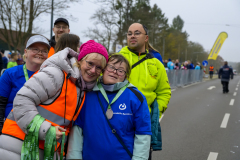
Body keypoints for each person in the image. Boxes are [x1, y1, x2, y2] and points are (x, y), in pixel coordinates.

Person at [0, 37, 108, 159]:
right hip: (18, 147)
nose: (93, 70)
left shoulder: (81, 87)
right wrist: (45, 130)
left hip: (42, 150)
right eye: (90, 63)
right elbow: (22, 100)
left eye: (99, 68)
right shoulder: (57, 74)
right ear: (80, 60)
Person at [67, 54, 152, 160]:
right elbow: (77, 130)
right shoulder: (88, 94)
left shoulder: (136, 98)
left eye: (121, 70)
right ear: (103, 69)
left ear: (125, 76)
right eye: (111, 67)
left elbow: (143, 133)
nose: (115, 72)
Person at [118, 23, 171, 153]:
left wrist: (154, 113)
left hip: (144, 124)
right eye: (129, 33)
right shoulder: (116, 59)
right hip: (119, 121)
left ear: (146, 38)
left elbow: (164, 92)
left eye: (137, 33)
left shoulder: (156, 63)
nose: (132, 36)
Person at [0, 35, 50, 135]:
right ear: (26, 52)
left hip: (38, 133)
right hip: (11, 132)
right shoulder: (10, 74)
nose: (40, 53)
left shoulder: (50, 77)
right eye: (35, 49)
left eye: (44, 51)